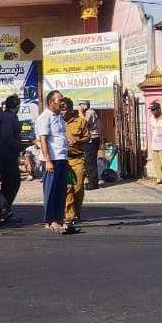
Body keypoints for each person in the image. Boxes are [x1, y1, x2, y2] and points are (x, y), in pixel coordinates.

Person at [35, 90, 76, 234]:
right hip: (51, 159)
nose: (61, 103)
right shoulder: (44, 117)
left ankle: (59, 218)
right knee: (50, 190)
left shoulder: (59, 117)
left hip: (61, 158)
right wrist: (47, 160)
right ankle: (50, 220)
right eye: (59, 100)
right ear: (50, 102)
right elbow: (43, 140)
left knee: (60, 191)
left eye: (62, 100)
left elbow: (59, 138)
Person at [0, 95, 23, 224]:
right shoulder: (9, 118)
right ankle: (5, 210)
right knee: (13, 182)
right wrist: (19, 146)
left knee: (7, 183)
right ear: (17, 106)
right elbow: (7, 136)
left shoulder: (3, 116)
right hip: (6, 155)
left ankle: (5, 210)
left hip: (2, 153)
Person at [62, 97, 89, 226]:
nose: (62, 113)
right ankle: (70, 215)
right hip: (63, 159)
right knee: (68, 188)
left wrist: (77, 141)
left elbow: (87, 137)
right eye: (60, 110)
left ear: (70, 109)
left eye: (65, 110)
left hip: (77, 159)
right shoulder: (57, 122)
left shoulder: (80, 121)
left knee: (78, 188)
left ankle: (77, 213)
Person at [79, 99, 101, 190]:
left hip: (92, 139)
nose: (79, 107)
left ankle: (93, 182)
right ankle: (91, 180)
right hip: (89, 139)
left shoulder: (90, 112)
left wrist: (80, 113)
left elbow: (84, 123)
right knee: (88, 160)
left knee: (91, 161)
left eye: (80, 105)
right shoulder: (88, 112)